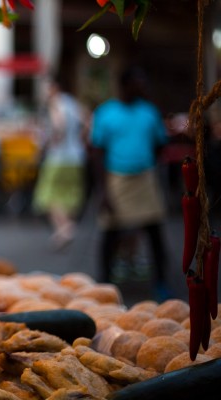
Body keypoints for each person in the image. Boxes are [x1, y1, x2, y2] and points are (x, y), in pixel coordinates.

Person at [90, 66, 169, 298]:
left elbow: (159, 145)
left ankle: (161, 282)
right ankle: (104, 283)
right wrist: (103, 191)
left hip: (144, 179)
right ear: (124, 85)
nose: (142, 87)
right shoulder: (106, 113)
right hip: (117, 179)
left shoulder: (149, 113)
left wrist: (144, 163)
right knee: (110, 234)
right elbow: (97, 153)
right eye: (138, 82)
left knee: (155, 232)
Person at [33, 78, 89, 249]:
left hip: (58, 158)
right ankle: (64, 230)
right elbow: (88, 121)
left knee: (48, 195)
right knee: (70, 194)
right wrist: (80, 141)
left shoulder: (56, 103)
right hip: (77, 157)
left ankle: (65, 228)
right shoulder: (72, 102)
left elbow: (59, 125)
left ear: (53, 89)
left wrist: (53, 141)